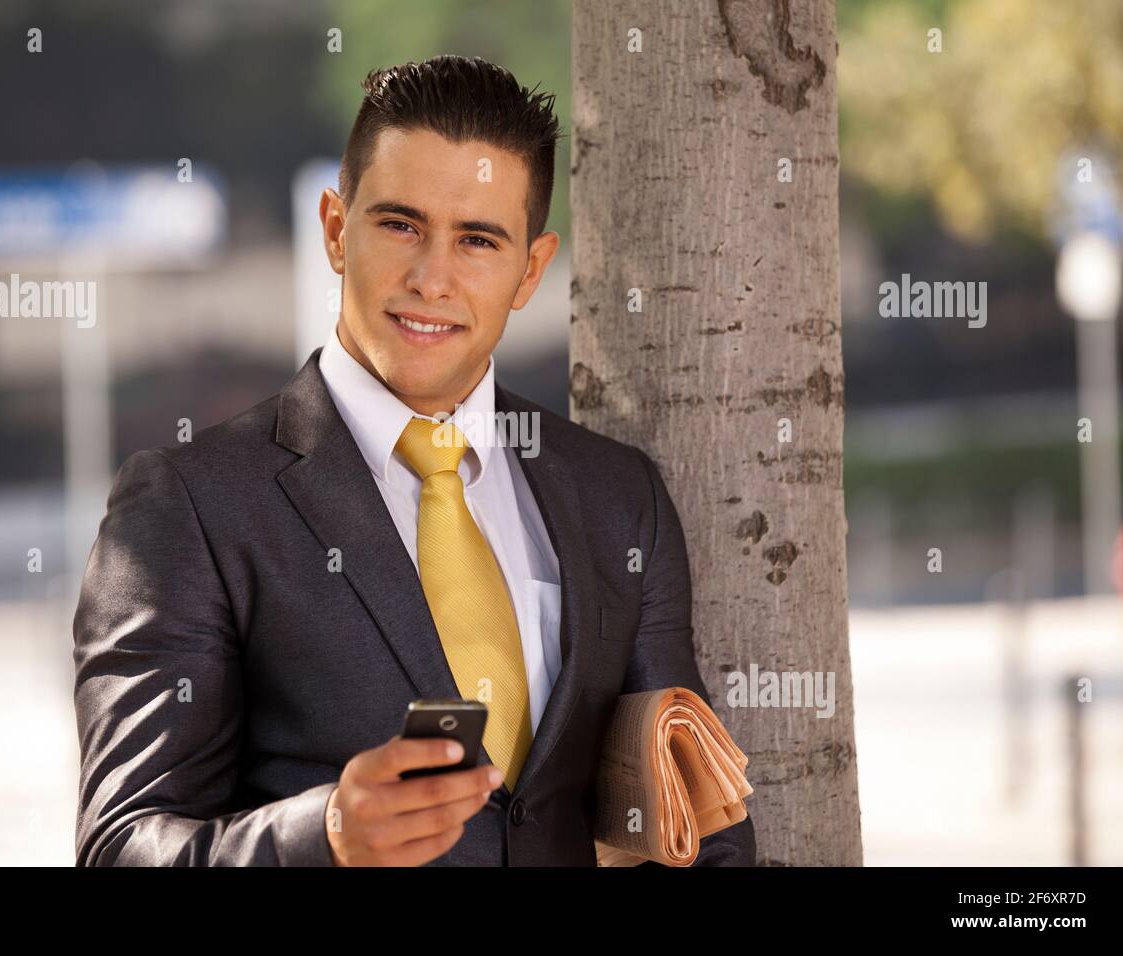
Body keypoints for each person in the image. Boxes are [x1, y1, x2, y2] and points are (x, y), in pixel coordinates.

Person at [72, 54, 757, 867]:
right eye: (400, 225)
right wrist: (326, 834)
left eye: (477, 239)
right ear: (336, 228)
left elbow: (698, 818)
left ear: (530, 269)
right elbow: (122, 847)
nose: (432, 278)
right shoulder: (188, 506)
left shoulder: (616, 496)